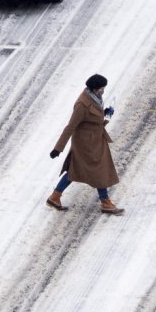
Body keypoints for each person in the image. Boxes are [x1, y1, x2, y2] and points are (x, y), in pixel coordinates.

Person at [46, 74, 124, 215]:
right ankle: (105, 202)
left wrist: (106, 114)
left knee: (75, 170)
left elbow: (93, 120)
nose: (103, 91)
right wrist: (58, 149)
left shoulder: (94, 98)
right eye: (102, 88)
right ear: (94, 89)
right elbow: (70, 127)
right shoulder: (82, 105)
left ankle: (55, 196)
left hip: (94, 140)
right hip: (86, 145)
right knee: (99, 170)